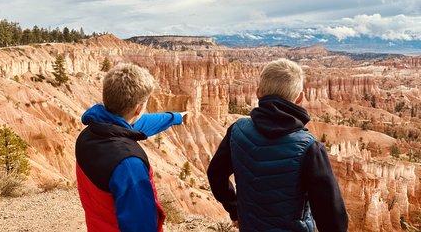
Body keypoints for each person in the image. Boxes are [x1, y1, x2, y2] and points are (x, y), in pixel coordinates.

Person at [207, 58, 348, 232]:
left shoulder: (237, 130)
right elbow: (330, 213)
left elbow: (216, 174)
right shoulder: (309, 148)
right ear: (299, 98)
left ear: (258, 93)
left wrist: (235, 210)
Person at [75, 63, 187, 232]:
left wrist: (176, 117)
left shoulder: (89, 135)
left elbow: (136, 125)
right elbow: (141, 225)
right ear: (139, 108)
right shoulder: (128, 166)